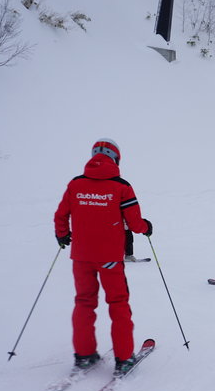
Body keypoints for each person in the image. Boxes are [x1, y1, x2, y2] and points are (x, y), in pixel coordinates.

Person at [54, 138, 153, 375]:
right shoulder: (121, 186)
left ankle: (84, 355)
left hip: (81, 257)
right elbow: (134, 222)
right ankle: (123, 358)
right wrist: (146, 227)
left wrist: (62, 235)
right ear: (116, 158)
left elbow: (60, 214)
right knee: (118, 304)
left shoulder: (75, 184)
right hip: (109, 258)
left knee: (84, 303)